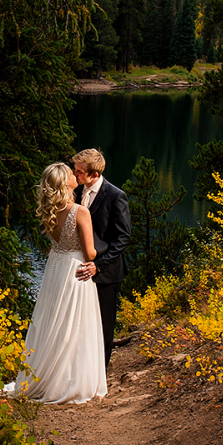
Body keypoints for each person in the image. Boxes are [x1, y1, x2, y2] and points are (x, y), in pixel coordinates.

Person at [3, 163, 108, 404]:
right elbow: (90, 253)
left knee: (52, 320)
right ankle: (69, 380)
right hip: (75, 269)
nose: (75, 174)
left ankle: (48, 374)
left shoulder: (49, 210)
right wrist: (104, 247)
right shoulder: (80, 211)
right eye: (72, 174)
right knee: (74, 323)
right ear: (65, 183)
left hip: (55, 269)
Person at [71, 148, 130, 364]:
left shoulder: (116, 196)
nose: (75, 174)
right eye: (75, 170)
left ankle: (100, 375)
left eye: (80, 171)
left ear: (94, 174)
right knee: (80, 323)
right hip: (80, 269)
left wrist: (98, 265)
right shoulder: (76, 192)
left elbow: (123, 238)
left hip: (107, 272)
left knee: (104, 326)